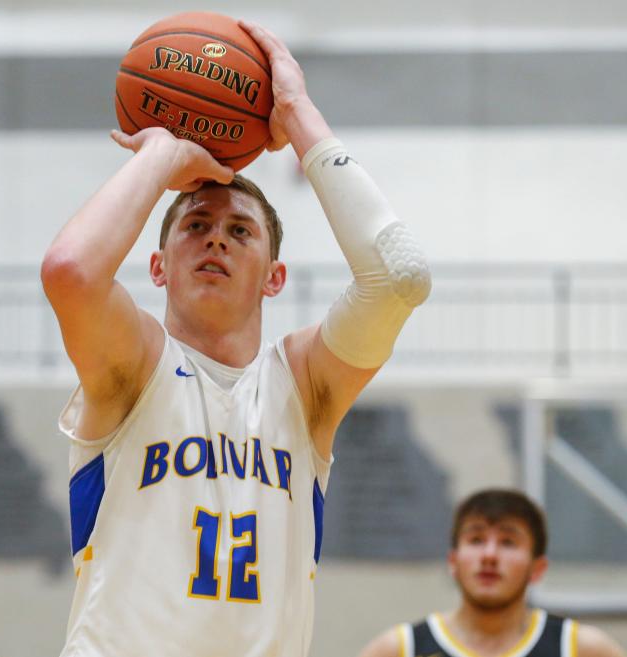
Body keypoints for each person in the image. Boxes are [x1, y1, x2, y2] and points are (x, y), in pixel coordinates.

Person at [41, 18, 431, 657]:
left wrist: (299, 116)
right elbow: (71, 272)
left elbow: (400, 277)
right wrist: (164, 153)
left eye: (241, 231)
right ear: (158, 266)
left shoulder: (304, 385)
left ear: (274, 277)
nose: (217, 237)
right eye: (195, 224)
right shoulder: (134, 364)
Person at [357, 488, 627, 657]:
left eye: (508, 542)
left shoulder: (584, 649)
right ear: (453, 561)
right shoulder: (398, 649)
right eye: (476, 540)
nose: (489, 555)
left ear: (537, 568)